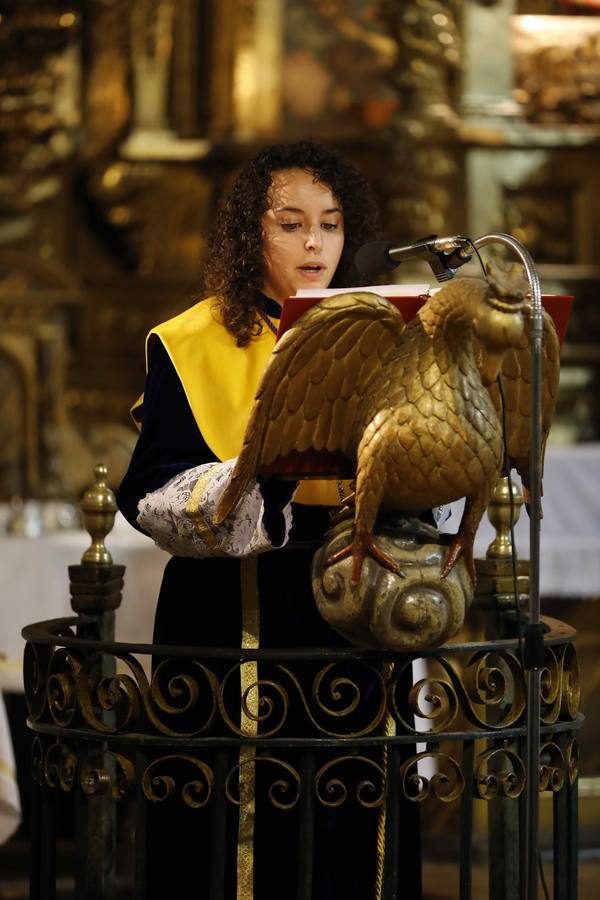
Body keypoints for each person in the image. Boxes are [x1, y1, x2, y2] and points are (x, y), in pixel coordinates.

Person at [117, 139, 421, 899]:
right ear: (250, 233)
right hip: (233, 616)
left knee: (356, 832)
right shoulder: (191, 344)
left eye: (331, 223)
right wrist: (271, 466)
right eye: (290, 224)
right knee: (235, 845)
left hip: (355, 614)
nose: (315, 242)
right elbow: (154, 498)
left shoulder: (382, 334)